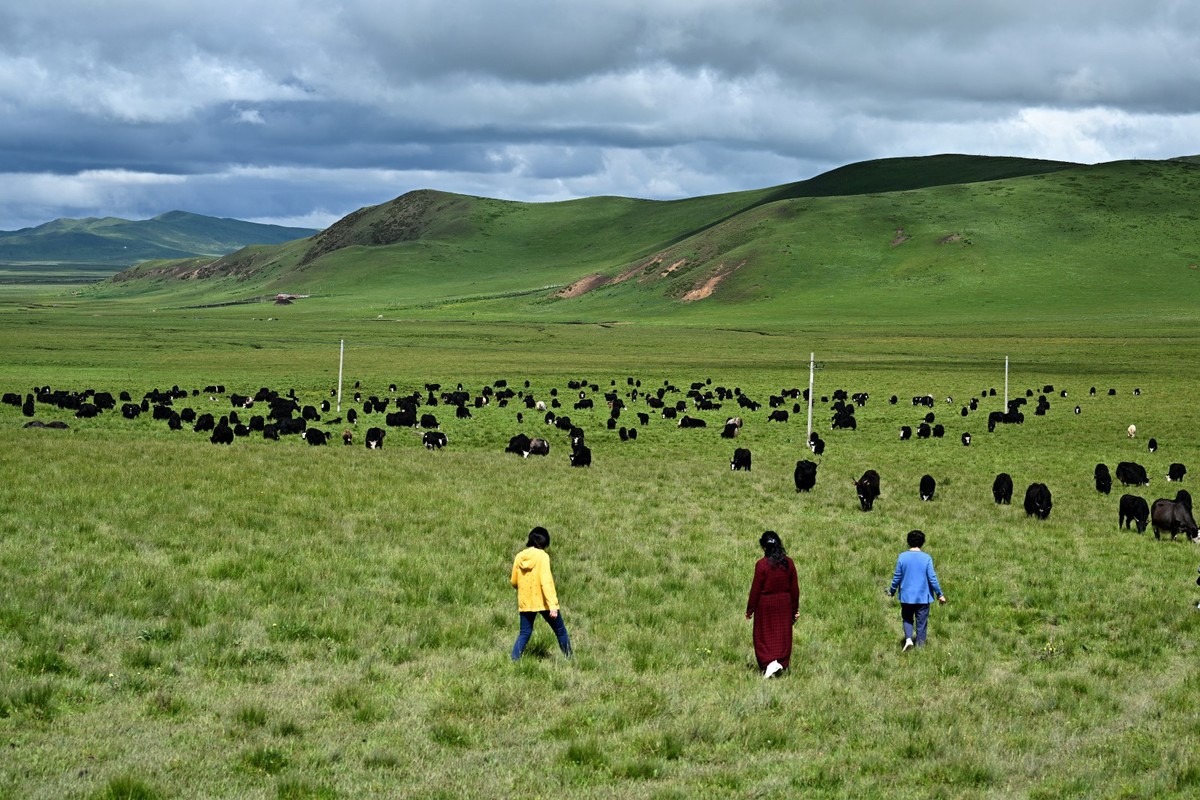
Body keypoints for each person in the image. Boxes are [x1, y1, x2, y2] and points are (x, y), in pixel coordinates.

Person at [510, 526, 572, 660]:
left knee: (524, 633)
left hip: (526, 601)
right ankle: (570, 659)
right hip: (543, 602)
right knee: (560, 631)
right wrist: (553, 605)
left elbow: (514, 581)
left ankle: (514, 659)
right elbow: (546, 582)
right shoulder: (543, 557)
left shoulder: (519, 556)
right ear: (544, 543)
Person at [745, 530, 800, 677]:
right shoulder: (789, 564)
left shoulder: (762, 565)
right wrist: (794, 610)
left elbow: (755, 589)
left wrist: (750, 610)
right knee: (782, 634)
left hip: (765, 605)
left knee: (764, 634)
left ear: (764, 547)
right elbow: (795, 590)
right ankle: (780, 662)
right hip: (784, 604)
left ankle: (768, 663)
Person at [888, 529, 947, 650]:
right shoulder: (926, 558)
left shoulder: (902, 557)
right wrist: (939, 594)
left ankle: (908, 639)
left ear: (908, 541)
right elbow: (932, 578)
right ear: (922, 542)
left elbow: (897, 576)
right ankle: (920, 647)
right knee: (921, 622)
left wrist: (892, 590)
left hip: (906, 596)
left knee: (907, 618)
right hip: (923, 597)